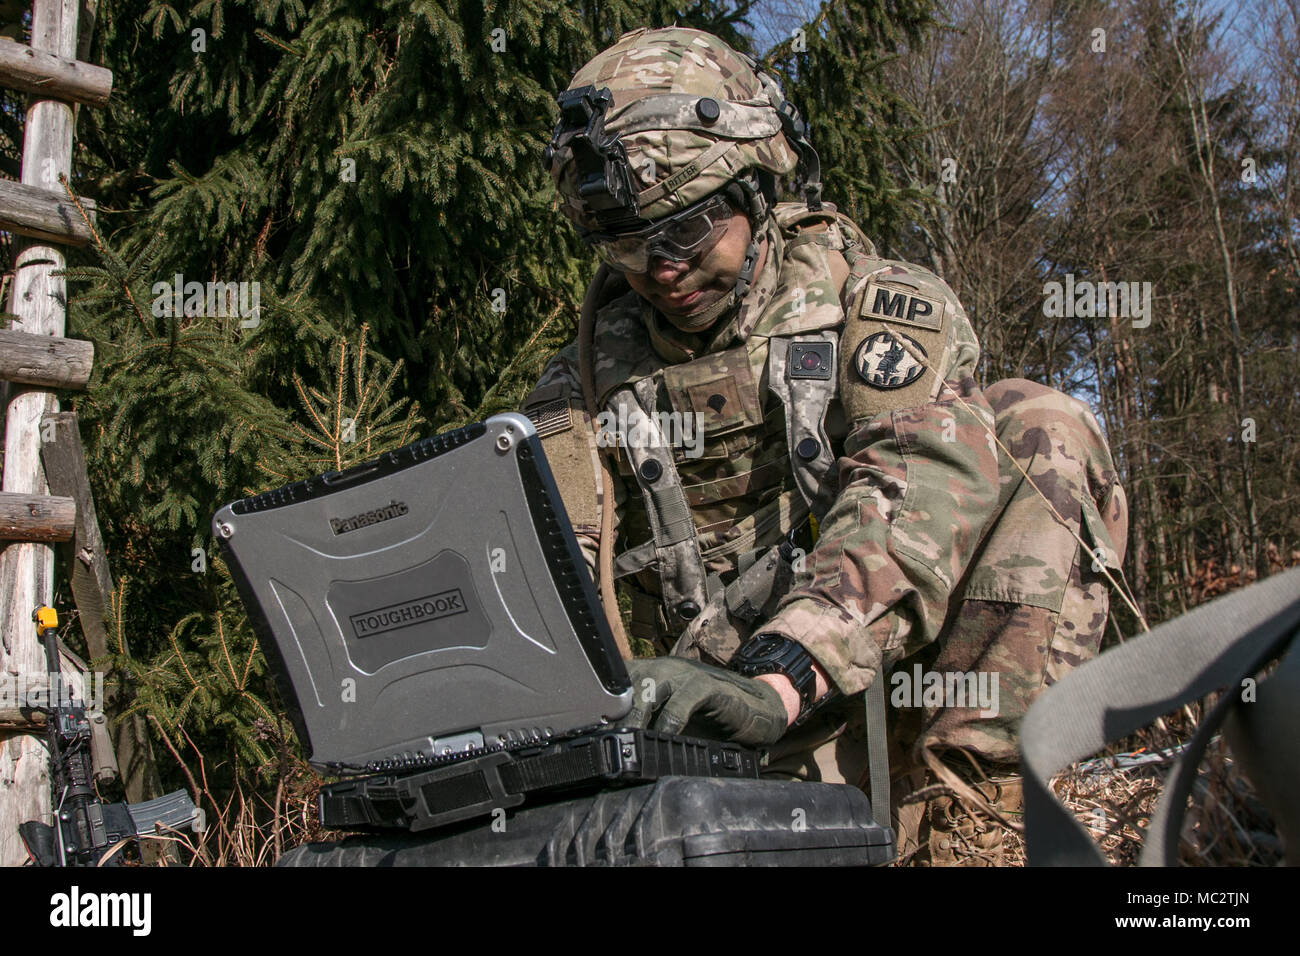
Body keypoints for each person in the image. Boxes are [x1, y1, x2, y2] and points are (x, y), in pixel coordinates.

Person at [522, 27, 1129, 864]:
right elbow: (540, 579)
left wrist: (779, 676)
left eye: (687, 231)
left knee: (1039, 425)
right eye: (628, 243)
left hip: (881, 711)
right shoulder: (585, 380)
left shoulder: (873, 311)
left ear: (757, 186)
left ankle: (978, 824)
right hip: (706, 752)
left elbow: (909, 499)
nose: (659, 269)